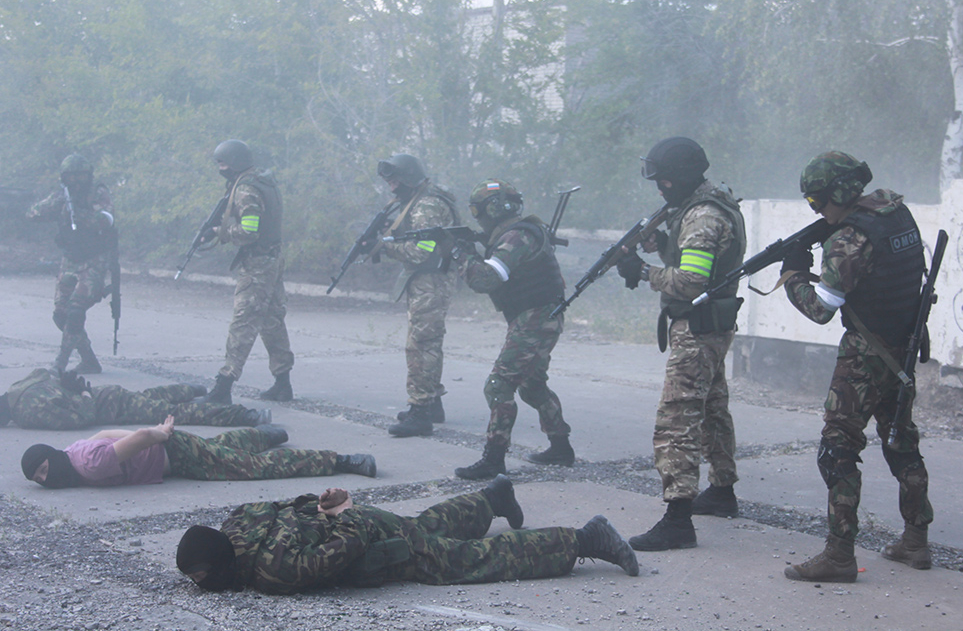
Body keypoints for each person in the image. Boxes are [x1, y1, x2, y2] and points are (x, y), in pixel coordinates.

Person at [780, 151, 932, 583]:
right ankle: (916, 539)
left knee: (838, 446)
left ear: (840, 193)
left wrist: (793, 275)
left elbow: (822, 309)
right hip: (902, 346)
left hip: (866, 356)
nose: (817, 210)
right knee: (900, 438)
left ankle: (840, 554)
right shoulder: (894, 213)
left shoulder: (849, 239)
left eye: (818, 202)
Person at [175, 474, 638, 594]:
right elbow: (287, 508)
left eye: (201, 577)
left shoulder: (274, 573)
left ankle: (585, 539)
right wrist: (322, 508)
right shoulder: (239, 522)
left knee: (462, 560)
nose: (202, 585)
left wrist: (345, 514)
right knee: (424, 526)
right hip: (360, 517)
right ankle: (491, 499)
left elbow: (349, 545)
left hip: (373, 540)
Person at [615, 137, 746, 551]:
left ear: (683, 177)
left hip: (697, 327)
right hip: (713, 326)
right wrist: (664, 245)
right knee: (713, 408)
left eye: (666, 180)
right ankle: (722, 491)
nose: (660, 188)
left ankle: (677, 518)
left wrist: (643, 270)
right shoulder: (704, 204)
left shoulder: (702, 216)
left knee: (677, 417)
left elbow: (690, 282)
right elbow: (696, 260)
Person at [448, 180, 574, 480]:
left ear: (494, 208)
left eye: (478, 210)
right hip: (538, 317)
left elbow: (485, 280)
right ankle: (561, 447)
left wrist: (459, 254)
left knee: (499, 386)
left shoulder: (517, 236)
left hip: (535, 319)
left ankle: (493, 459)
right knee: (532, 385)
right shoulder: (518, 232)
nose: (478, 217)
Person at [21, 417, 377, 489]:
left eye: (43, 469)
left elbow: (142, 435)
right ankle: (266, 432)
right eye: (39, 477)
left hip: (179, 455)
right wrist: (148, 438)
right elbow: (103, 432)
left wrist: (157, 435)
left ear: (51, 456)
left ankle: (342, 461)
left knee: (251, 468)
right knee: (223, 448)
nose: (44, 477)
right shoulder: (70, 452)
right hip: (175, 448)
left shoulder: (90, 465)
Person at [203, 140, 295, 405]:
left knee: (244, 322)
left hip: (258, 264)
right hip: (273, 258)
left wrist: (220, 233)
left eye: (224, 164)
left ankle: (224, 386)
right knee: (272, 321)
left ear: (235, 163)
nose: (221, 169)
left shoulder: (246, 188)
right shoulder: (263, 180)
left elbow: (249, 231)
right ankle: (282, 382)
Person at [376, 154, 461, 438]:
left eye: (395, 181)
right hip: (428, 281)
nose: (391, 188)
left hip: (432, 281)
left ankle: (420, 411)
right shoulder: (419, 199)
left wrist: (385, 248)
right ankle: (431, 402)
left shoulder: (427, 205)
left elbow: (422, 252)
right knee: (427, 341)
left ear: (409, 178)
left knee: (421, 344)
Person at [27, 153, 115, 374]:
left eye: (81, 176)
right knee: (61, 314)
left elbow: (105, 220)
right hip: (70, 260)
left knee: (76, 311)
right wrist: (58, 205)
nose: (76, 181)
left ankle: (61, 362)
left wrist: (80, 213)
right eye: (72, 177)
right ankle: (89, 359)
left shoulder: (98, 193)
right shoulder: (62, 196)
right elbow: (33, 213)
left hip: (95, 260)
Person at [0, 368, 270, 430]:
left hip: (112, 407)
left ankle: (245, 416)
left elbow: (82, 417)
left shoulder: (26, 412)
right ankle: (192, 388)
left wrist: (81, 394)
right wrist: (71, 386)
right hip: (109, 393)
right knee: (153, 397)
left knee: (177, 413)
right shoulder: (17, 388)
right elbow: (52, 375)